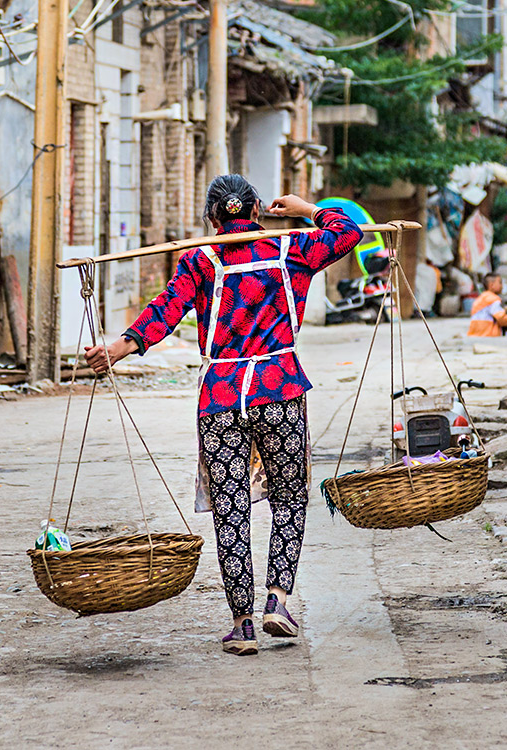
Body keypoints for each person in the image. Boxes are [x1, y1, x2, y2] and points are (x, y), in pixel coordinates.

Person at [83, 175, 362, 656]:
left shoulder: (200, 259)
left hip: (222, 396)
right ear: (256, 210)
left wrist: (118, 348)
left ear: (212, 218)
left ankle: (244, 626)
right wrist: (303, 208)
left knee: (230, 508)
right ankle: (278, 599)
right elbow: (349, 232)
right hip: (279, 386)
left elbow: (164, 312)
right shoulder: (290, 248)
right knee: (289, 496)